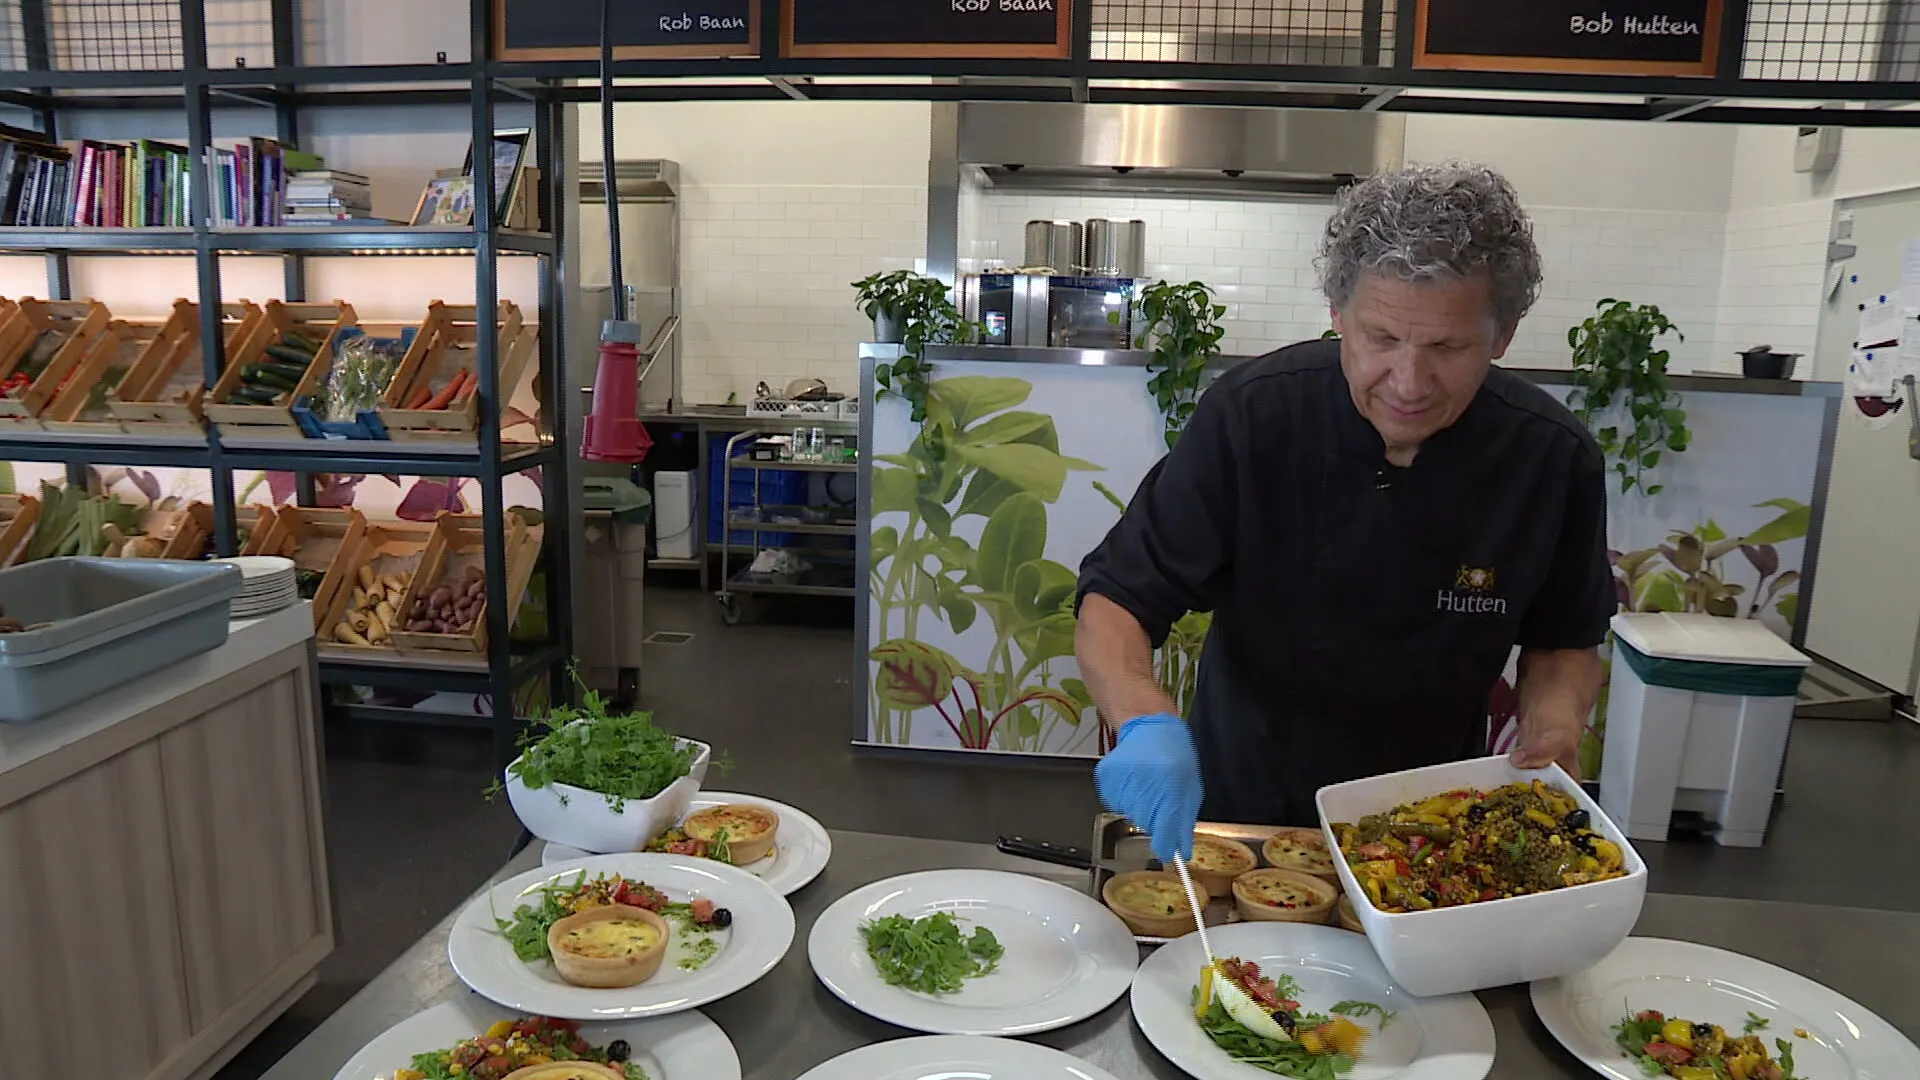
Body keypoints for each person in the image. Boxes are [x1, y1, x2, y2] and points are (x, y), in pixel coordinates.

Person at [1076, 161, 1614, 862]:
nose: (1410, 383)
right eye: (1381, 339)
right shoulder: (1253, 419)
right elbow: (1117, 599)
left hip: (1433, 831)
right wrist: (1143, 718)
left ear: (1503, 335)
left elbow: (1564, 637)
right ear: (1337, 316)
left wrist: (1553, 727)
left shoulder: (1551, 458)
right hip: (1242, 820)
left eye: (1448, 348)